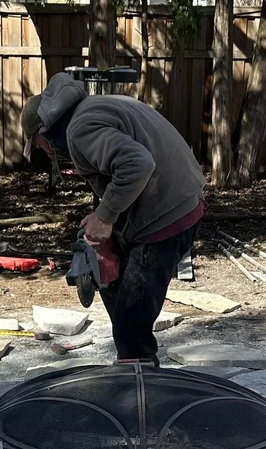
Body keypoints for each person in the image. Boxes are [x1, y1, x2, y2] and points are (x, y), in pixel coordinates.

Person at [20, 72, 205, 365]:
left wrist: (105, 217)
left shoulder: (79, 129)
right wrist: (102, 217)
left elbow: (137, 164)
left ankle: (139, 392)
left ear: (44, 130)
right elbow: (118, 171)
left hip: (165, 215)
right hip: (175, 201)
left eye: (38, 143)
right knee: (119, 296)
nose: (43, 150)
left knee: (132, 323)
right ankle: (132, 367)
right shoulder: (93, 107)